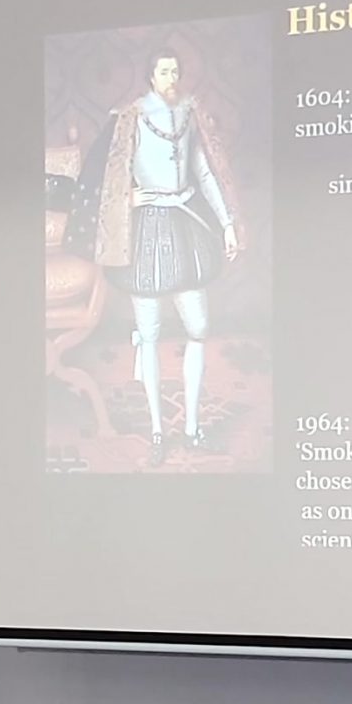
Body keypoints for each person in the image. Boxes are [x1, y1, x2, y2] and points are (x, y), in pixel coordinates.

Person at [84, 50, 241, 465]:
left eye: (175, 70)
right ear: (151, 76)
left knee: (199, 327)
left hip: (186, 224)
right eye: (164, 71)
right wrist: (127, 198)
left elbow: (203, 172)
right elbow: (107, 177)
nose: (171, 77)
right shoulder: (129, 118)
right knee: (149, 333)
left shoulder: (189, 113)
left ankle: (192, 429)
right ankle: (158, 431)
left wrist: (227, 223)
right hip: (146, 231)